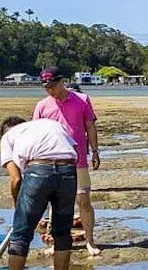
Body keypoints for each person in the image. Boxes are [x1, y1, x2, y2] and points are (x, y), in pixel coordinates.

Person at [0, 117, 79, 270]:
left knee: (21, 235)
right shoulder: (48, 125)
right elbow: (74, 148)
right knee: (62, 233)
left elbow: (16, 179)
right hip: (68, 169)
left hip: (39, 169)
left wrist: (18, 208)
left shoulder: (8, 137)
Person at [33, 67, 102, 256]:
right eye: (47, 88)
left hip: (77, 159)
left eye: (53, 86)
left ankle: (90, 241)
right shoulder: (42, 106)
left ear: (62, 81)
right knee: (56, 204)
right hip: (51, 162)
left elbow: (90, 126)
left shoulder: (82, 100)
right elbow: (36, 135)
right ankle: (57, 243)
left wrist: (95, 152)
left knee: (83, 200)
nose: (51, 91)